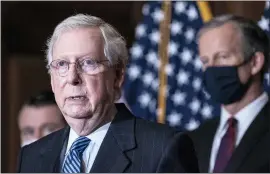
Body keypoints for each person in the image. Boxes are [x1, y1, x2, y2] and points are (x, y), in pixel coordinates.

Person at [16, 14, 199, 173]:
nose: (72, 78)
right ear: (52, 79)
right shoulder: (31, 156)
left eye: (88, 63)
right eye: (62, 65)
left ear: (118, 76)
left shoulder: (163, 148)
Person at [189, 14, 270, 173]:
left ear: (255, 62)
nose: (212, 68)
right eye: (205, 61)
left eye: (222, 57)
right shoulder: (195, 139)